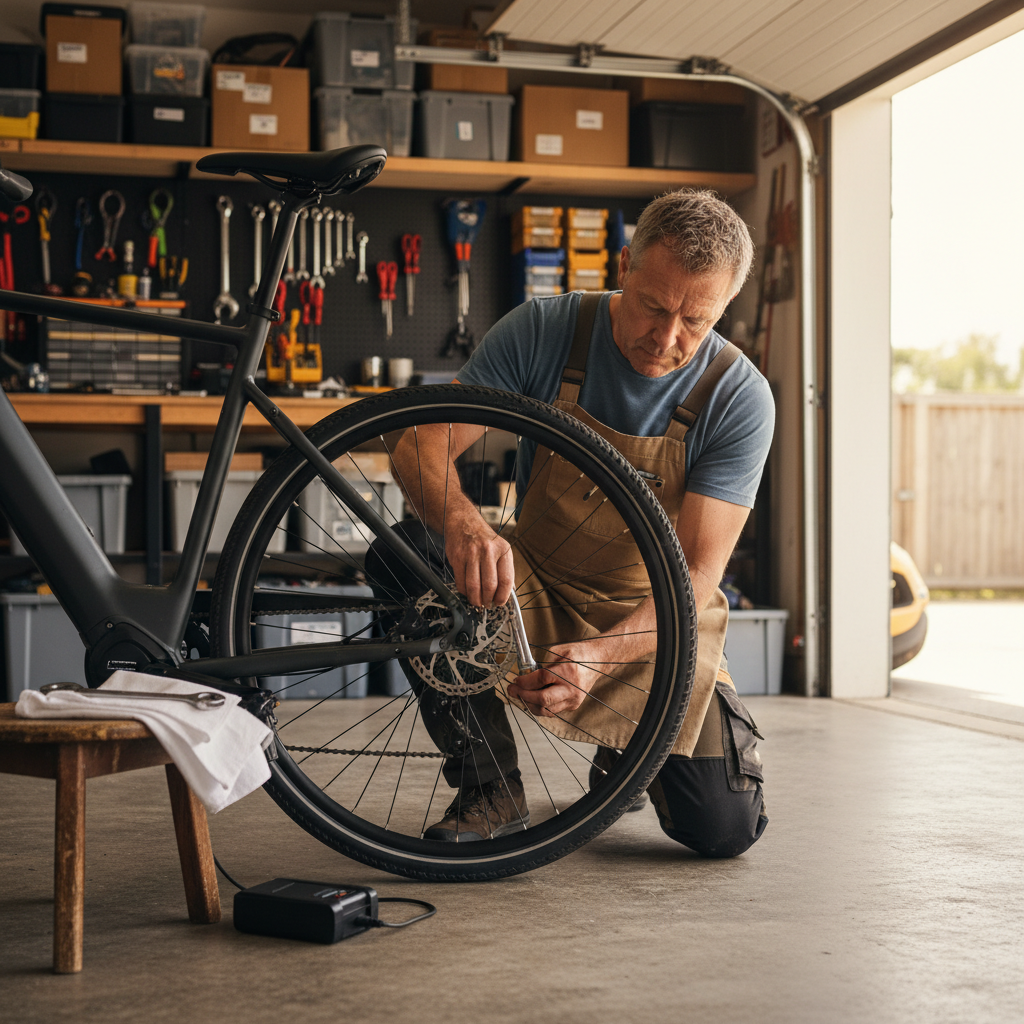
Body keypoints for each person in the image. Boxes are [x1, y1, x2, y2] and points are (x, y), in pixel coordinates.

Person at [370, 189, 773, 857]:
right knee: (405, 553)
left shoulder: (739, 396)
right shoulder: (546, 329)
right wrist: (464, 524)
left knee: (723, 828)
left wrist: (599, 658)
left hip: (653, 620)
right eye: (654, 306)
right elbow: (420, 441)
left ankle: (624, 751)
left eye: (695, 322)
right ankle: (490, 786)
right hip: (531, 589)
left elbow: (698, 574)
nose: (666, 339)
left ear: (724, 307)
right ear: (625, 265)